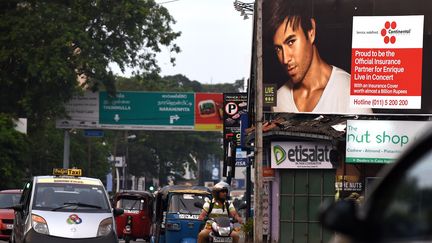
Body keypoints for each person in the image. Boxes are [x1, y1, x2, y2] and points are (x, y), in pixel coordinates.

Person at [264, 0, 371, 114]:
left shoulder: (349, 92)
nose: (285, 59)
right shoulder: (280, 100)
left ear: (311, 32)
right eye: (278, 49)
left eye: (291, 42)